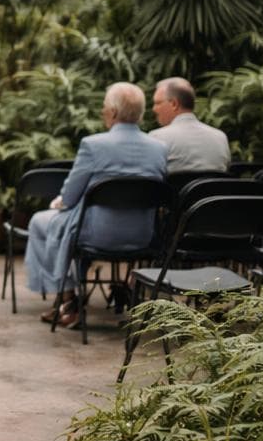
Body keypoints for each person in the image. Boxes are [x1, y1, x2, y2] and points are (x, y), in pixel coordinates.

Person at [24, 82, 167, 328]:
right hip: (144, 236)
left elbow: (69, 196)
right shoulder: (159, 149)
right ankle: (78, 298)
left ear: (112, 112)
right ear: (141, 114)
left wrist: (61, 202)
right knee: (68, 223)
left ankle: (68, 301)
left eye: (104, 108)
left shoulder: (93, 145)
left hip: (98, 235)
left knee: (41, 221)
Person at [148, 76, 229, 174]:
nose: (154, 109)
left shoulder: (157, 138)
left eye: (158, 103)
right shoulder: (220, 137)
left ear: (174, 104)